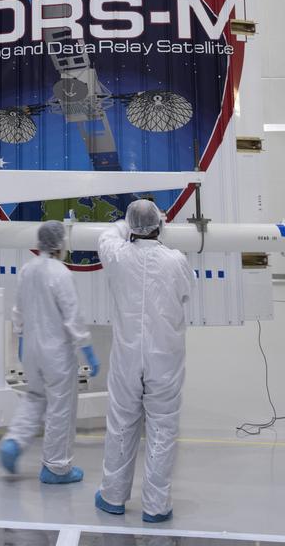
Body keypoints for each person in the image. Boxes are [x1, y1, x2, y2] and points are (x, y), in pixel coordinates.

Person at [94, 199, 193, 523]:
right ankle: (156, 505)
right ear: (159, 225)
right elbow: (184, 294)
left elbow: (108, 236)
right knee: (163, 428)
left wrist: (126, 222)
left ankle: (112, 496)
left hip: (126, 355)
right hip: (164, 356)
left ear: (132, 226)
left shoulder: (118, 256)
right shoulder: (176, 260)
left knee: (122, 424)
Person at [0, 219, 100, 484]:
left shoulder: (27, 270)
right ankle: (56, 468)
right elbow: (72, 315)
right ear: (60, 244)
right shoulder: (60, 273)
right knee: (60, 407)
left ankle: (13, 442)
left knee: (34, 397)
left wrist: (20, 337)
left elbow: (17, 309)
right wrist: (86, 347)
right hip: (56, 353)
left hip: (30, 349)